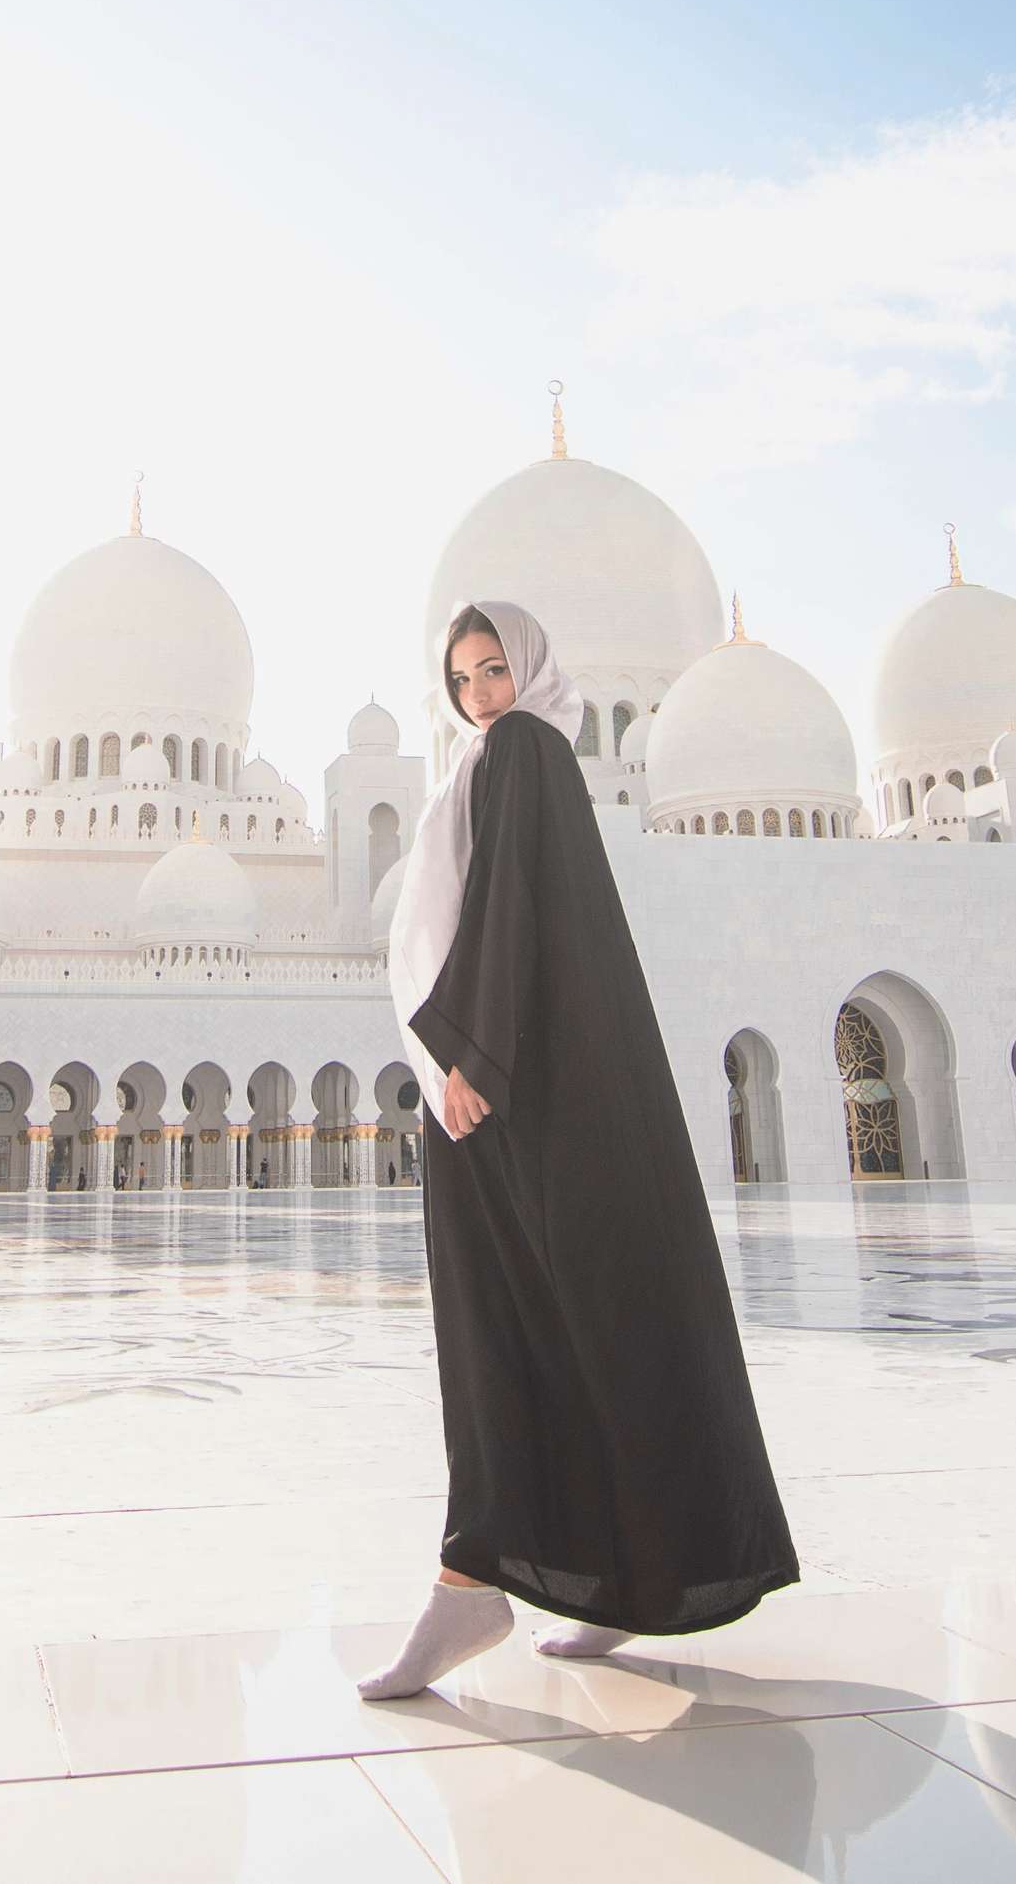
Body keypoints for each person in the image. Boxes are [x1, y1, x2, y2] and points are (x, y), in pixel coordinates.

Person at [356, 598, 796, 1701]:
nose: (479, 695)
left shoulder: (522, 750)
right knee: (585, 1324)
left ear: (532, 669)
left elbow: (511, 915)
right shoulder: (508, 760)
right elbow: (514, 914)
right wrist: (472, 1056)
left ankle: (477, 1587)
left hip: (504, 1089)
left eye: (494, 669)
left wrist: (472, 1061)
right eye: (460, 679)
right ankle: (617, 1578)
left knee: (510, 1331)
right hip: (523, 1083)